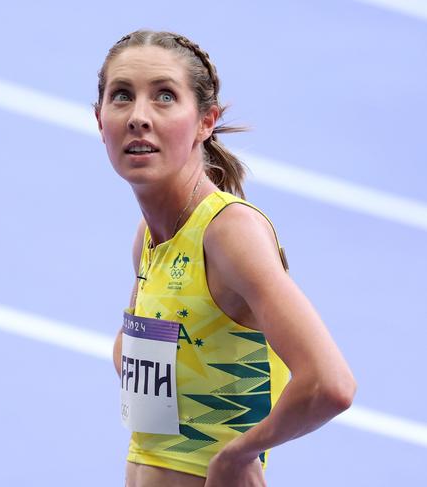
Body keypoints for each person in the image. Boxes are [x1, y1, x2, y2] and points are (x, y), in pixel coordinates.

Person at [93, 30, 357, 487]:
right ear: (99, 120)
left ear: (205, 122)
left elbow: (330, 384)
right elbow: (137, 357)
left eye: (164, 97)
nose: (138, 116)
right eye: (122, 96)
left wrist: (238, 455)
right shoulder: (152, 238)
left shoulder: (229, 234)